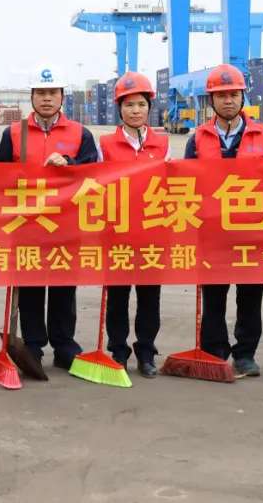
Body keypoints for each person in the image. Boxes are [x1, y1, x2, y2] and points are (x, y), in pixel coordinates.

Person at [0, 64, 98, 370]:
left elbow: (95, 172)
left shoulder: (79, 133)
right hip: (26, 224)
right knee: (30, 287)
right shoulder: (15, 133)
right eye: (40, 93)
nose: (46, 98)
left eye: (52, 92)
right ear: (32, 96)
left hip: (65, 224)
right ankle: (33, 345)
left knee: (64, 286)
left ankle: (64, 344)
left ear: (62, 96)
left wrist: (70, 163)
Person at [183, 64, 263, 378]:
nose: (229, 101)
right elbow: (187, 184)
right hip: (213, 232)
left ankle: (245, 354)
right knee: (214, 298)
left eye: (234, 94)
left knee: (250, 297)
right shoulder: (198, 139)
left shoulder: (262, 136)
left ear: (242, 97)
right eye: (221, 95)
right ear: (211, 100)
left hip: (252, 232)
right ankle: (214, 351)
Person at [99, 72, 170, 378]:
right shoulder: (105, 144)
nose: (135, 110)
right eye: (129, 105)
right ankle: (117, 351)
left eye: (141, 104)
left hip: (152, 232)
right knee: (117, 297)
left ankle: (146, 352)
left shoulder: (163, 143)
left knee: (149, 298)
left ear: (149, 107)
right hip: (116, 233)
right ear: (119, 108)